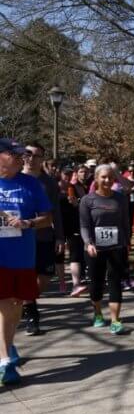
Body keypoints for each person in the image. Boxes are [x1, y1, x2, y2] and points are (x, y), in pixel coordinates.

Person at [0, 138, 53, 386]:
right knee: (3, 305)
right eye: (16, 154)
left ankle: (7, 347)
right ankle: (4, 361)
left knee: (14, 305)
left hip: (21, 255)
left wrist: (28, 223)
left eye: (23, 155)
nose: (22, 159)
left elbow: (46, 218)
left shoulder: (30, 184)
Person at [79, 164, 130, 333]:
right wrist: (89, 243)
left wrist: (127, 242)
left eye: (110, 177)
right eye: (103, 177)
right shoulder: (88, 200)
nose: (107, 180)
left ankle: (116, 320)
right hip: (95, 248)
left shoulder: (120, 198)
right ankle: (98, 312)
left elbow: (125, 223)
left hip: (117, 246)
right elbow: (84, 226)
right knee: (96, 283)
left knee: (115, 282)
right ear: (96, 178)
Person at [20, 142, 64, 335]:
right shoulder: (13, 179)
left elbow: (57, 212)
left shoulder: (49, 183)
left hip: (44, 235)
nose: (31, 158)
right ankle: (32, 315)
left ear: (42, 159)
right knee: (26, 276)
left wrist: (60, 237)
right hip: (20, 238)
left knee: (45, 276)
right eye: (28, 154)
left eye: (36, 155)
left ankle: (26, 301)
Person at [66, 165, 92, 295]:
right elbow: (74, 203)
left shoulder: (88, 186)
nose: (84, 174)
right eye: (81, 172)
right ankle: (75, 285)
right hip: (74, 224)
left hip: (87, 223)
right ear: (76, 173)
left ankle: (86, 279)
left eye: (86, 172)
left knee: (86, 251)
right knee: (75, 253)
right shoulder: (71, 187)